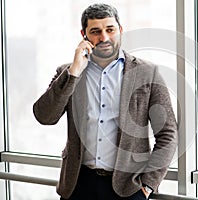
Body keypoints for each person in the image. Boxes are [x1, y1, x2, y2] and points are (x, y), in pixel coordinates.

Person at [33, 3, 177, 200]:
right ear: (84, 35)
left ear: (120, 30)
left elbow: (168, 133)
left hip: (128, 188)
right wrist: (73, 73)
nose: (104, 37)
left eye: (110, 29)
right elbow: (44, 116)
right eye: (95, 31)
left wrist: (148, 185)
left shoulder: (146, 73)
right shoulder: (68, 73)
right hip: (78, 184)